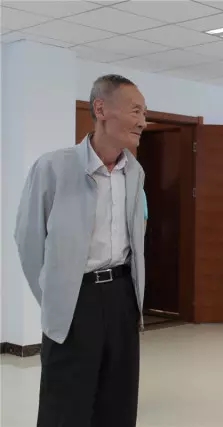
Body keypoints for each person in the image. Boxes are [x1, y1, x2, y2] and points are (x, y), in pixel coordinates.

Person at [14, 74, 147, 427]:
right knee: (66, 405)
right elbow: (28, 240)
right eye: (135, 111)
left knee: (118, 403)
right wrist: (56, 296)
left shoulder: (134, 172)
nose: (143, 122)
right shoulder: (54, 167)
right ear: (101, 109)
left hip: (122, 296)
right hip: (77, 299)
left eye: (144, 113)